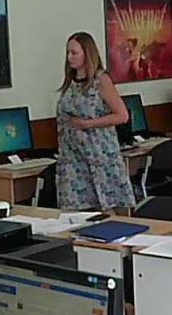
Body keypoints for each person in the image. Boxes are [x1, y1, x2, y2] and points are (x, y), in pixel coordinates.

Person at [56, 32, 136, 211]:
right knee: (76, 213)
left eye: (74, 53)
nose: (69, 57)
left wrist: (88, 124)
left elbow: (122, 115)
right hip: (73, 160)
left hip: (98, 156)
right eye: (68, 52)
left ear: (87, 53)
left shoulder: (101, 80)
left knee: (105, 209)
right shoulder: (70, 82)